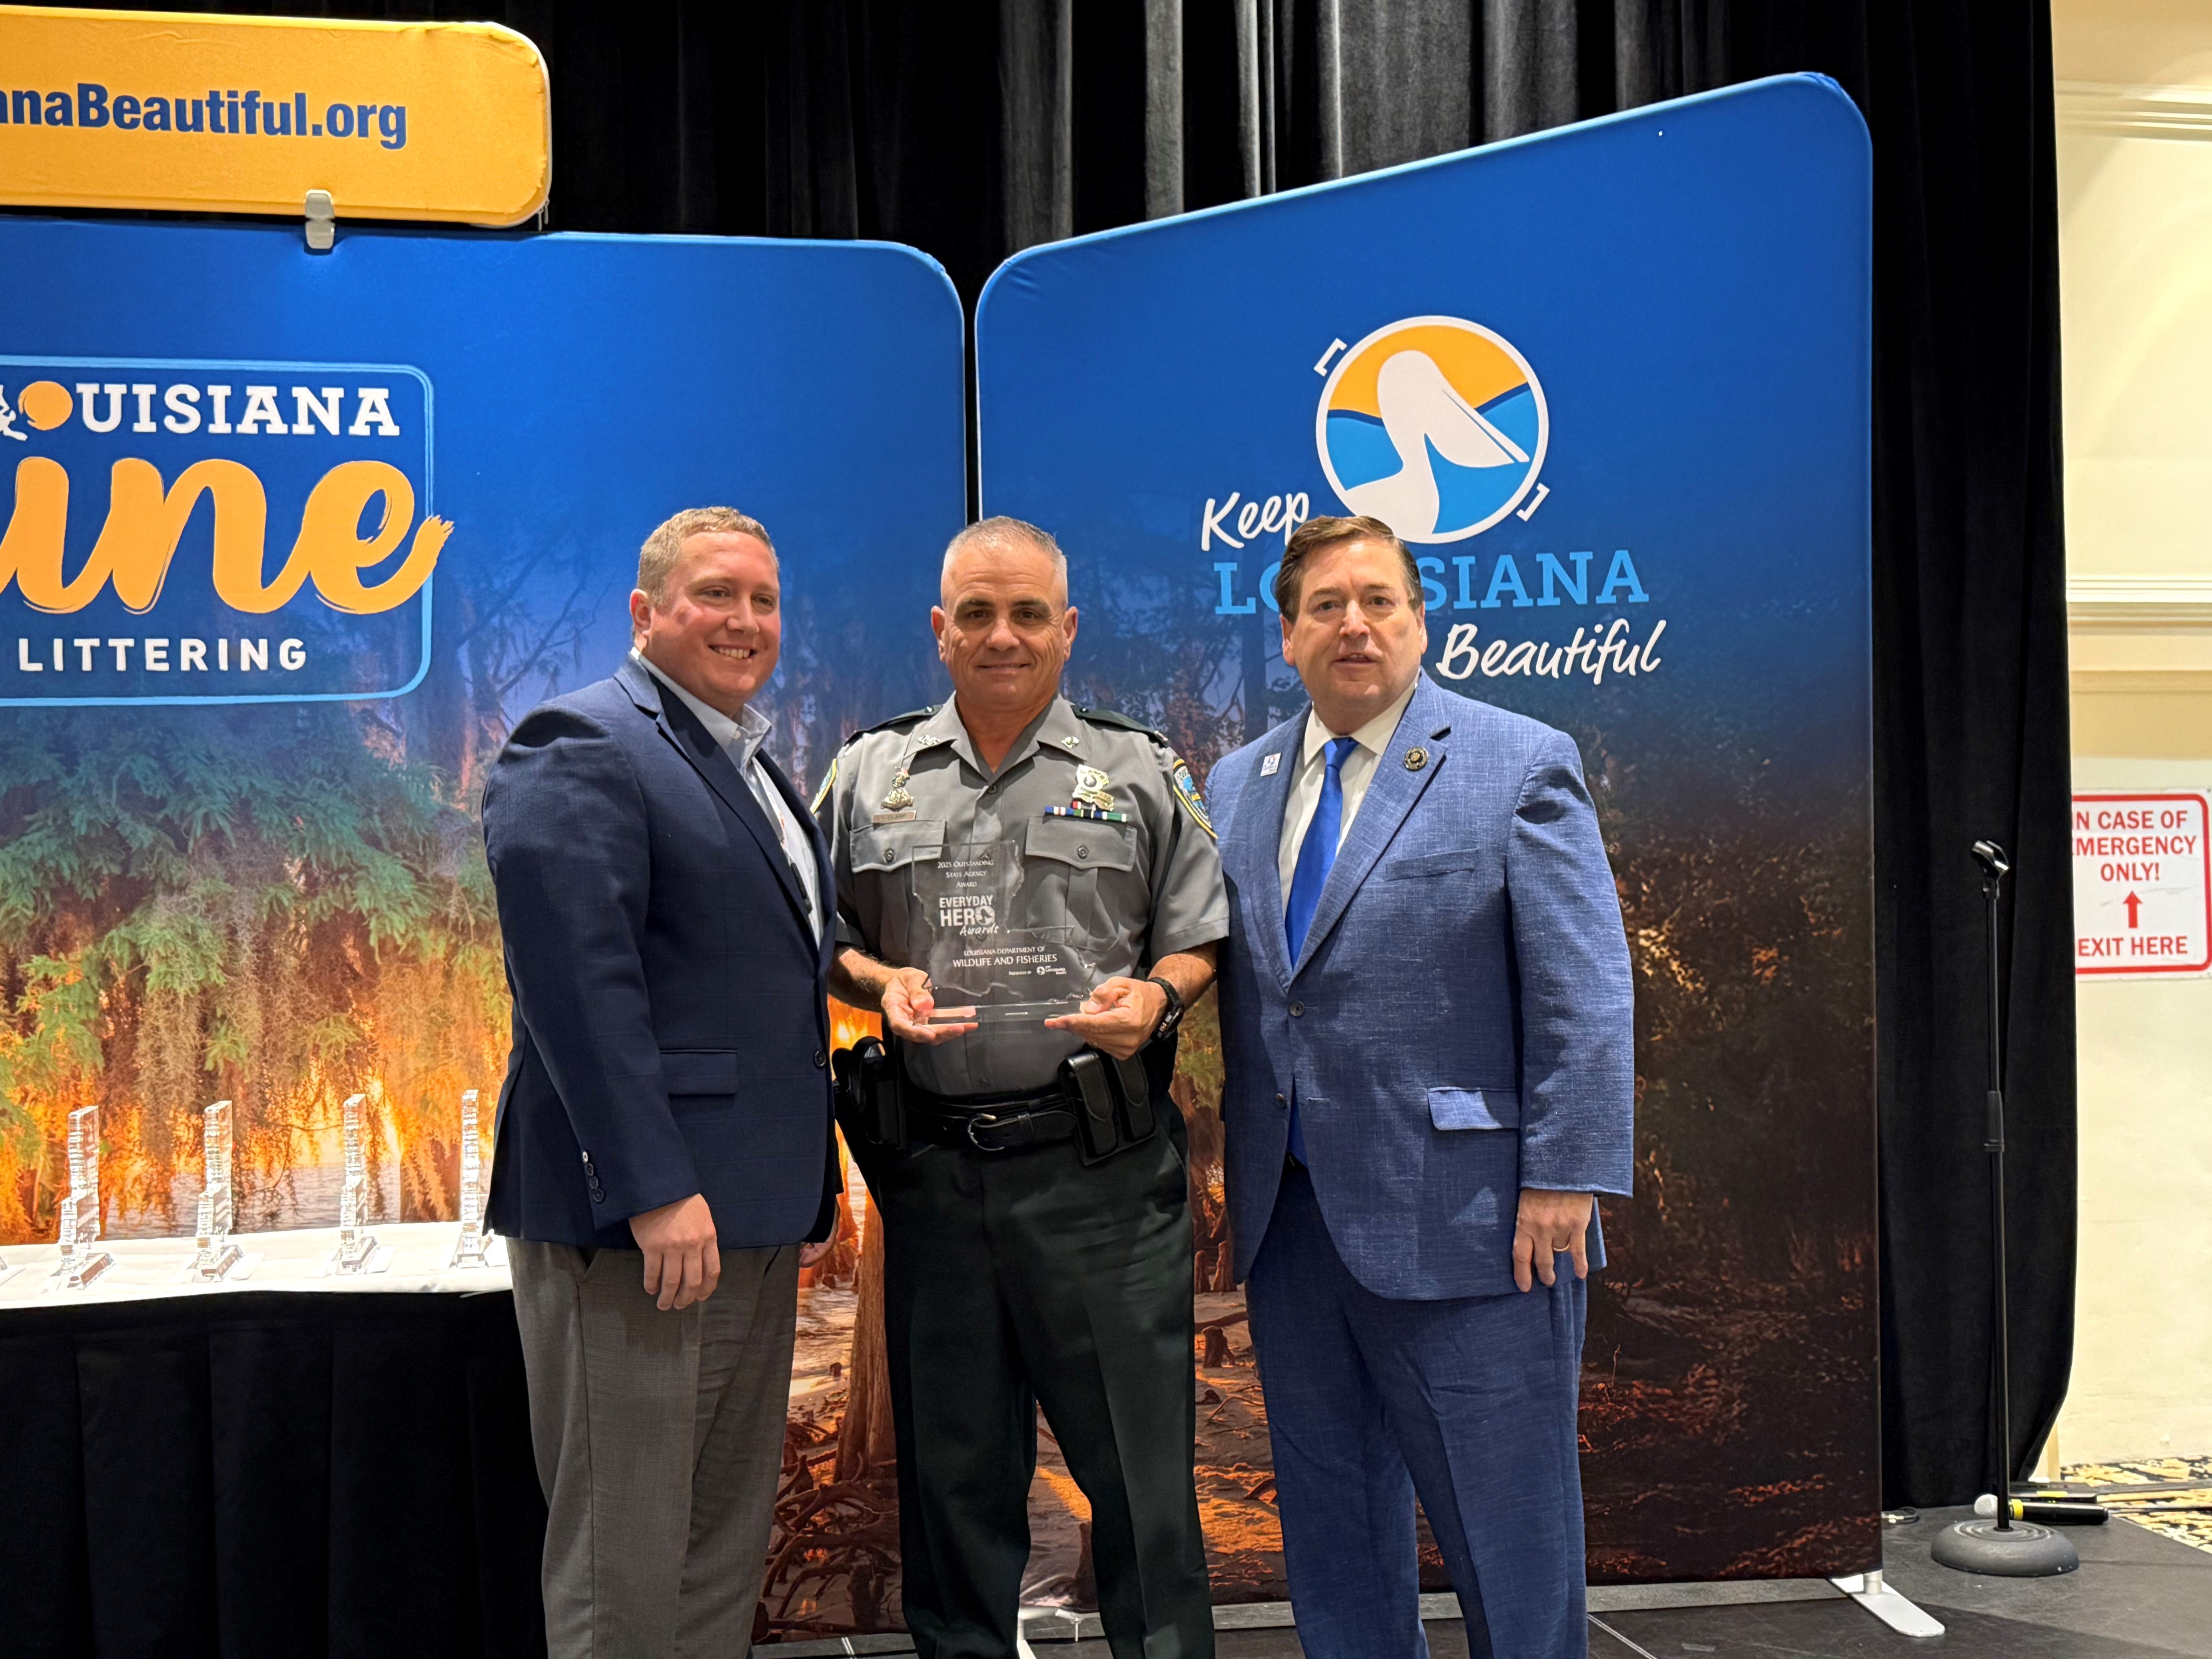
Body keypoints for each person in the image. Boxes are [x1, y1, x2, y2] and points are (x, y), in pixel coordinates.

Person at [1207, 514, 1634, 1659]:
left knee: (1511, 1536)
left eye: (1381, 600)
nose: (1357, 624)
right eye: (1328, 606)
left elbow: (1585, 990)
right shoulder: (1235, 784)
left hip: (1480, 1223)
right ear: (1288, 633)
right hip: (1292, 1227)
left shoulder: (1517, 761)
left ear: (1419, 619)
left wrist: (1567, 1174)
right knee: (1333, 1531)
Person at [815, 516, 1226, 1659]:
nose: (1005, 636)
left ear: (1068, 629)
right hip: (936, 1184)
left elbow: (1200, 937)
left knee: (1142, 1493)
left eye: (1029, 613)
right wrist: (876, 980)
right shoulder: (867, 775)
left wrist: (1158, 996)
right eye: (979, 615)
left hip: (1101, 1181)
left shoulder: (1140, 771)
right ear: (940, 631)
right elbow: (823, 941)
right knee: (953, 1497)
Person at [482, 506, 839, 1659]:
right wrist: (649, 1185)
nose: (745, 621)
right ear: (647, 613)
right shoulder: (581, 742)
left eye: (763, 601)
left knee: (713, 1553)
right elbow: (574, 983)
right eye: (715, 594)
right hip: (645, 1227)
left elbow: (759, 962)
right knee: (623, 1566)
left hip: (748, 1217)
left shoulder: (741, 758)